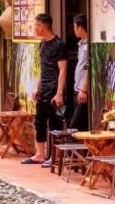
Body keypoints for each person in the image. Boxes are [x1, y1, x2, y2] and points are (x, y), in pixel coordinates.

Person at [22, 13, 67, 165]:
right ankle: (40, 154)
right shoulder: (42, 44)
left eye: (35, 26)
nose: (34, 29)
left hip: (54, 89)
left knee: (54, 124)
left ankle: (55, 157)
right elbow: (43, 68)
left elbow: (62, 69)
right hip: (43, 88)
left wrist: (60, 92)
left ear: (42, 26)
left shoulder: (59, 44)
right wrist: (37, 87)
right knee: (39, 122)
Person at [70, 14, 89, 132]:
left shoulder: (89, 45)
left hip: (83, 91)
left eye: (74, 26)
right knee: (80, 127)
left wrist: (84, 90)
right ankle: (83, 150)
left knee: (75, 124)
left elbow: (89, 69)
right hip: (77, 89)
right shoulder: (81, 44)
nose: (73, 29)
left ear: (80, 27)